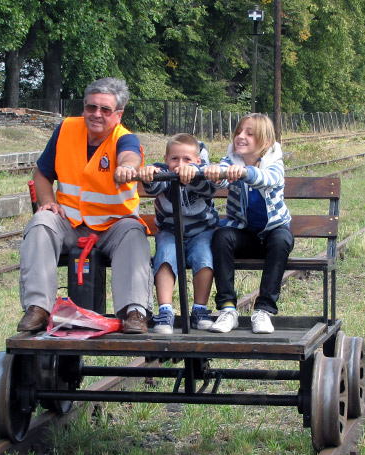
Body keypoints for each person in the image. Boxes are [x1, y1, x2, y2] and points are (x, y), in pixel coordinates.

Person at [16, 77, 153, 334]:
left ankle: (135, 312)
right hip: (70, 223)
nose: (97, 114)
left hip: (114, 227)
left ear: (118, 115)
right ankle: (38, 307)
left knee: (134, 233)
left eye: (105, 110)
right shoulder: (66, 130)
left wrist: (127, 168)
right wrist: (47, 201)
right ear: (83, 108)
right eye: (91, 107)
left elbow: (130, 156)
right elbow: (42, 173)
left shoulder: (125, 139)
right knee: (40, 222)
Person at [203, 113, 294, 334]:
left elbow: (269, 179)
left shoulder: (274, 160)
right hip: (244, 234)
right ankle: (227, 309)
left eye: (249, 134)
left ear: (265, 142)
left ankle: (263, 310)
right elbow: (222, 178)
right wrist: (216, 174)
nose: (241, 137)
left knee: (282, 239)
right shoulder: (231, 159)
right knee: (222, 236)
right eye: (239, 132)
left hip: (273, 233)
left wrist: (246, 172)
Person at [139, 133, 218, 334]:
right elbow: (155, 185)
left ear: (197, 161)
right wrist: (150, 174)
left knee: (205, 257)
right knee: (164, 255)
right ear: (166, 159)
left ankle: (199, 308)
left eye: (187, 159)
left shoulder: (202, 174)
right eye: (174, 159)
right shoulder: (165, 173)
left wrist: (193, 173)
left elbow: (209, 189)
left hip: (201, 231)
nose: (179, 164)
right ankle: (165, 310)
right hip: (170, 231)